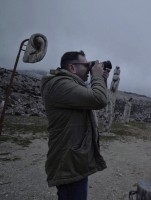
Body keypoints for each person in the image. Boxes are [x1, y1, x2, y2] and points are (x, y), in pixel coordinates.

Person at [40, 50, 110, 200]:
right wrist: (96, 76)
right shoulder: (59, 85)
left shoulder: (69, 85)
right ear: (72, 67)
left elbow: (95, 100)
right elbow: (99, 100)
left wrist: (101, 79)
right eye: (86, 65)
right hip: (68, 163)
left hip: (74, 160)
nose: (89, 69)